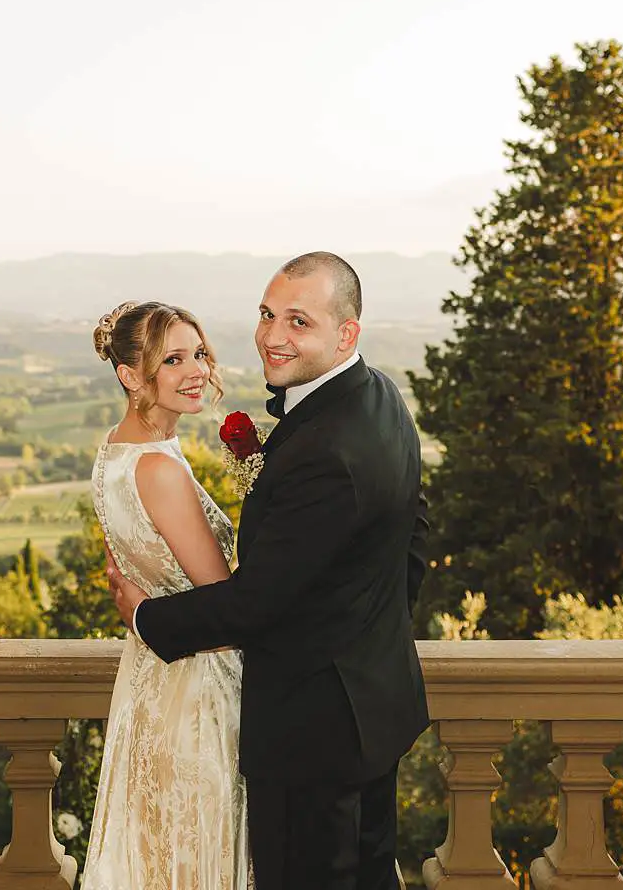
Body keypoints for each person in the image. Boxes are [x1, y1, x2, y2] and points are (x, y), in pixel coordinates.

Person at [109, 252, 430, 890]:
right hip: (371, 708)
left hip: (310, 732)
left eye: (298, 321)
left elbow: (254, 604)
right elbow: (412, 533)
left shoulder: (326, 448)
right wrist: (366, 624)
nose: (273, 335)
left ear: (346, 334)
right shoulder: (380, 396)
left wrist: (146, 616)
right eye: (266, 314)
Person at [82, 299, 252, 889]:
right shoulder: (159, 468)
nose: (196, 370)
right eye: (173, 359)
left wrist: (140, 610)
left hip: (150, 684)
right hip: (199, 690)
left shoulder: (113, 452)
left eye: (199, 353)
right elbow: (229, 606)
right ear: (131, 376)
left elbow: (123, 565)